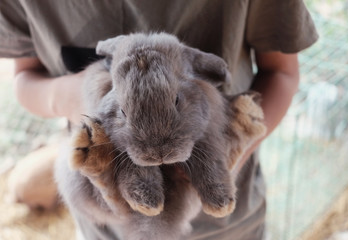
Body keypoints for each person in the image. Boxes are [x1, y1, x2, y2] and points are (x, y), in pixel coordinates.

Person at [0, 0, 318, 239]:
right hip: (104, 228)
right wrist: (81, 94)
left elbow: (281, 71)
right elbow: (24, 79)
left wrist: (229, 151)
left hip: (229, 228)